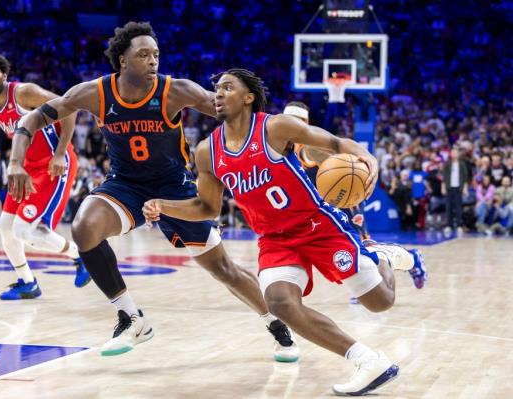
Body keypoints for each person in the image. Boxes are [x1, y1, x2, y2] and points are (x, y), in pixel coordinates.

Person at [6, 22, 297, 361]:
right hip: (125, 184)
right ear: (122, 61)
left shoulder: (175, 90)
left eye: (156, 55)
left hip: (174, 187)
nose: (153, 61)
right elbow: (29, 121)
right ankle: (131, 318)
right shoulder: (94, 93)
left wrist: (275, 132)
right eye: (143, 55)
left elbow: (231, 111)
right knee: (84, 226)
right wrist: (16, 162)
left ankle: (276, 323)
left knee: (223, 269)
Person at [143, 69, 427, 396]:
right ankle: (366, 360)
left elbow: (335, 143)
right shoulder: (208, 151)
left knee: (380, 302)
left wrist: (366, 158)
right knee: (279, 302)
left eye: (227, 88)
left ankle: (385, 256)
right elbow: (208, 208)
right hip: (274, 239)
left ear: (248, 97)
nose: (218, 94)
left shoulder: (276, 127)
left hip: (318, 227)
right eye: (216, 89)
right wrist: (163, 206)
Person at [0, 52, 91, 300]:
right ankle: (27, 282)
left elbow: (69, 108)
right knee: (5, 227)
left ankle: (79, 256)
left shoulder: (24, 92)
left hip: (53, 163)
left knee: (24, 229)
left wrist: (61, 153)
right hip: (25, 169)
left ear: (5, 75)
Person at [284, 101, 426, 290]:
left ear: (305, 122)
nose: (292, 124)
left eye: (298, 120)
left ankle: (410, 259)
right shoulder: (280, 150)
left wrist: (352, 171)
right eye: (289, 120)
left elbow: (342, 167)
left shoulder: (307, 148)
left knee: (366, 250)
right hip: (317, 211)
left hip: (343, 203)